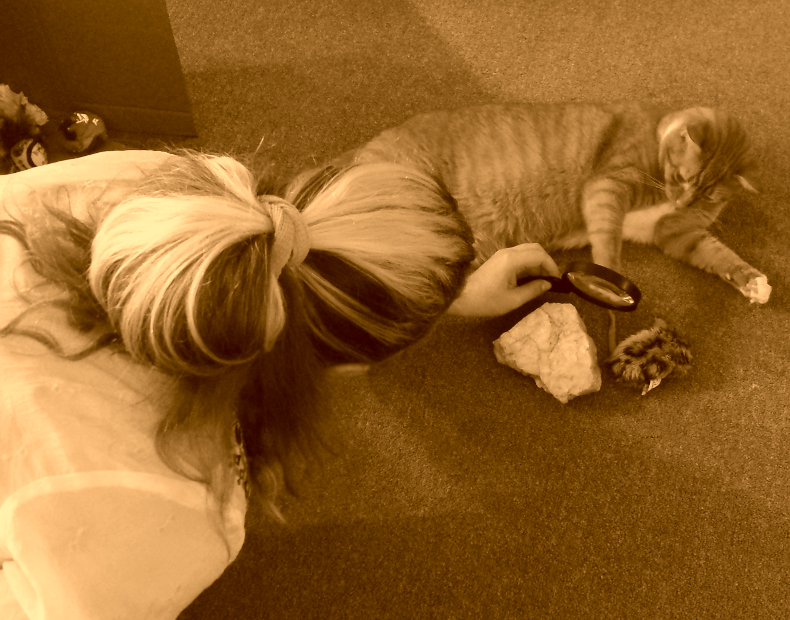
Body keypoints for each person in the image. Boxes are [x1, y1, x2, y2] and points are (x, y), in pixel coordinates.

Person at [0, 149, 558, 619]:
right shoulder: (173, 504)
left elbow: (292, 261)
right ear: (344, 371)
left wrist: (433, 294)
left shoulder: (166, 185)